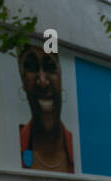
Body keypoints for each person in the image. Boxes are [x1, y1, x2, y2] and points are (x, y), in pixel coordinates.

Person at [18, 44, 73, 173]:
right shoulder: (14, 146)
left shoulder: (78, 148)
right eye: (31, 67)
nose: (42, 82)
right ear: (23, 82)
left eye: (50, 67)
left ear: (61, 77)